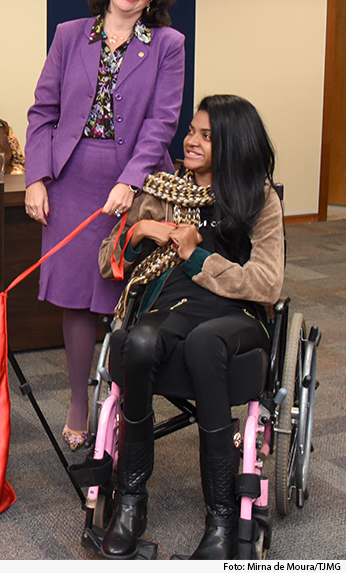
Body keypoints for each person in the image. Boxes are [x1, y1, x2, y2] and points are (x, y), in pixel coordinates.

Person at [97, 94, 283, 559]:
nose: (191, 141)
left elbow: (266, 282)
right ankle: (131, 499)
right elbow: (109, 262)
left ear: (233, 145)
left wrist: (196, 256)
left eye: (206, 136)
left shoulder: (259, 200)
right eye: (192, 132)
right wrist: (141, 232)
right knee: (135, 340)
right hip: (174, 305)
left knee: (203, 344)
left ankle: (220, 517)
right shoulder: (165, 192)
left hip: (236, 317)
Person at [23, 0, 184, 451]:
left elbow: (162, 122)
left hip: (130, 182)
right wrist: (36, 177)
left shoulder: (167, 44)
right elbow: (42, 111)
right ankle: (77, 401)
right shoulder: (71, 35)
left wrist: (132, 179)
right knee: (76, 296)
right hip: (71, 180)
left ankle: (122, 398)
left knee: (124, 294)